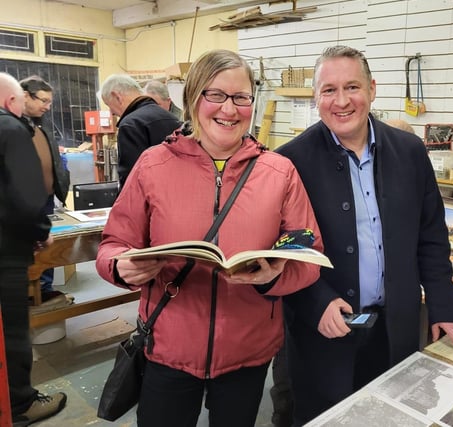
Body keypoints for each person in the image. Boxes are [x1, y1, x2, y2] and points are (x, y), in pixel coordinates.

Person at [95, 49, 323, 427]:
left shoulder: (279, 173)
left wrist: (275, 275)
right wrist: (121, 267)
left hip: (247, 351)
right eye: (215, 95)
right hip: (168, 347)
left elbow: (309, 253)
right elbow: (112, 245)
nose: (229, 110)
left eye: (241, 97)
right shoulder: (153, 165)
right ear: (192, 98)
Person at [276, 45, 453, 425]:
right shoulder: (290, 161)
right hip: (325, 333)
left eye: (352, 87)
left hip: (394, 327)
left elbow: (430, 236)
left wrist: (445, 306)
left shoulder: (410, 151)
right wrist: (316, 301)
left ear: (373, 89)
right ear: (316, 97)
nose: (342, 101)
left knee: (390, 415)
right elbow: (287, 249)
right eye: (329, 90)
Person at [0, 72, 68, 425]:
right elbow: (27, 198)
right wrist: (42, 230)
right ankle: (22, 404)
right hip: (7, 249)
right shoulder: (12, 130)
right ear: (14, 101)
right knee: (12, 330)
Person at [19, 75, 71, 304]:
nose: (47, 107)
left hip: (47, 197)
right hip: (24, 200)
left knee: (48, 244)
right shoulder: (12, 125)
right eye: (43, 100)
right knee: (28, 245)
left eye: (49, 102)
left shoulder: (42, 125)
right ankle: (27, 293)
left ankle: (45, 288)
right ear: (24, 96)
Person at [99, 74, 182, 189]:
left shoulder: (130, 125)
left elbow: (131, 181)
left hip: (150, 202)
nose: (111, 112)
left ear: (117, 97)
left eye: (109, 105)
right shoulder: (173, 118)